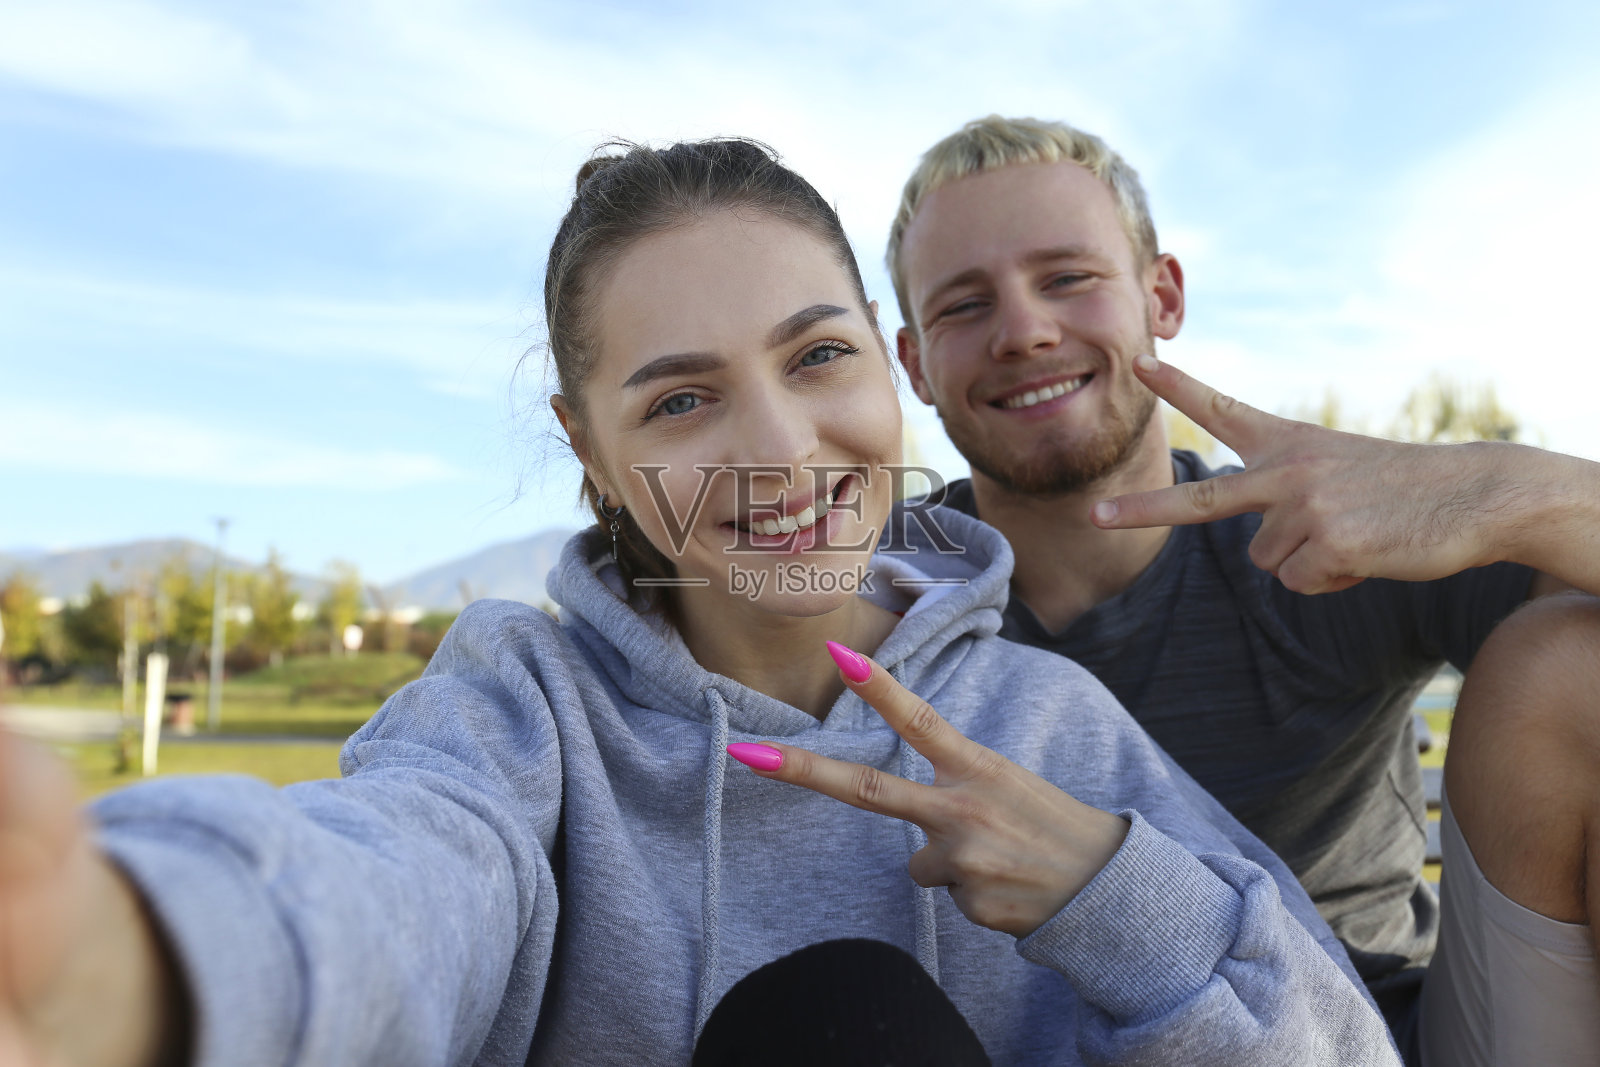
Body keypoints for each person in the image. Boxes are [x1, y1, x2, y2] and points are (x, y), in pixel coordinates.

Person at [0, 138, 1402, 1067]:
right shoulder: (523, 713)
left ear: (885, 367)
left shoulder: (1045, 723)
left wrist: (1112, 886)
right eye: (679, 398)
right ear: (588, 449)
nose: (784, 450)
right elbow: (403, 872)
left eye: (816, 357)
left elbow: (1333, 1040)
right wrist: (143, 953)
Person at [886, 114, 1600, 1066]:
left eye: (1067, 278)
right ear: (913, 365)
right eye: (964, 306)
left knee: (1573, 667)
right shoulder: (878, 583)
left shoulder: (1317, 529)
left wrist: (1496, 492)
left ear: (1162, 295)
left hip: (1387, 1040)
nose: (1025, 330)